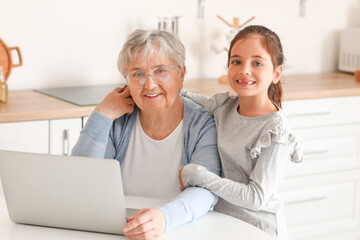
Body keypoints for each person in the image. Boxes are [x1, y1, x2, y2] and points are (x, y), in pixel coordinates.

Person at [71, 29, 221, 240]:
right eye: (138, 74)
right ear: (126, 81)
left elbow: (206, 191)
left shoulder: (202, 123)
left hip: (179, 231)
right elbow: (80, 182)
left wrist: (163, 218)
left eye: (160, 71)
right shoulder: (118, 122)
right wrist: (101, 115)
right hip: (123, 233)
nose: (149, 84)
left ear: (181, 74)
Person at [179, 25, 303, 240]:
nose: (244, 70)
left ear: (276, 73)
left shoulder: (275, 133)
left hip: (258, 231)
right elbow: (187, 97)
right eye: (236, 61)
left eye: (257, 63)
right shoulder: (224, 106)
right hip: (223, 224)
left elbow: (256, 198)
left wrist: (200, 176)